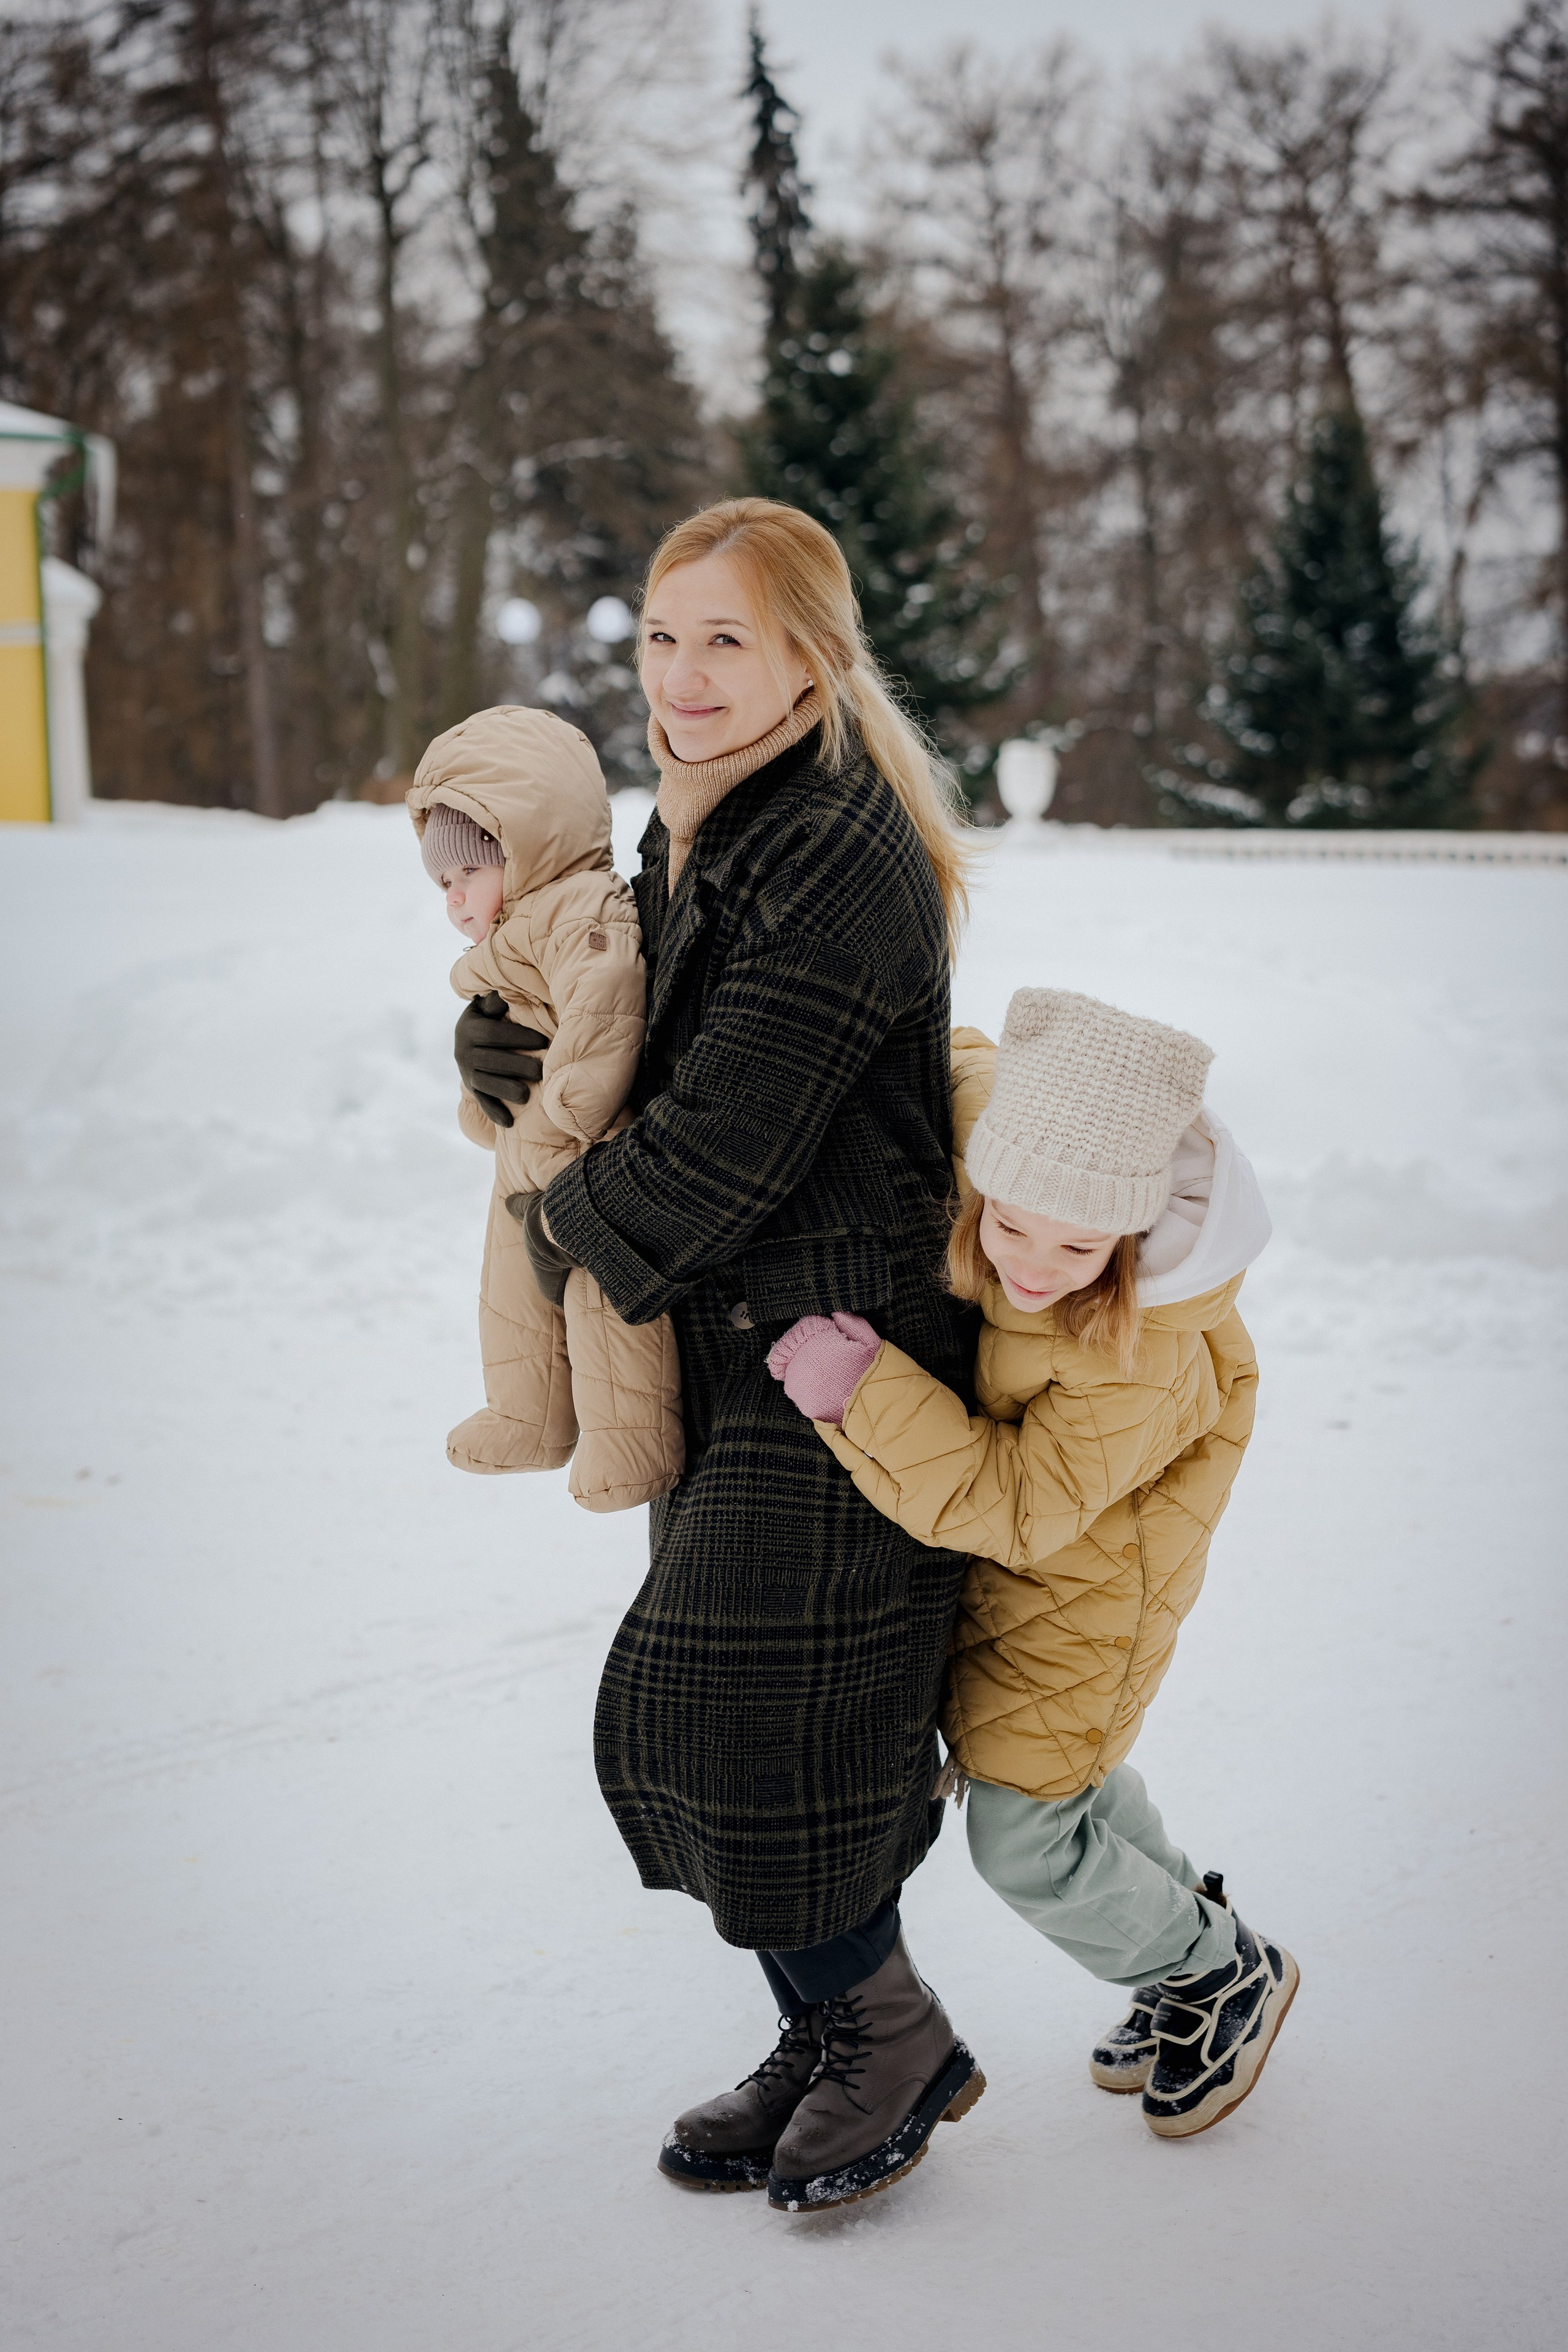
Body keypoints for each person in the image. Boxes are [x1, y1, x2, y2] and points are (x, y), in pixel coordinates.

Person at [453, 499, 984, 2215]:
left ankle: (881, 2027)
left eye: (725, 641)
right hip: (727, 1343)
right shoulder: (704, 831)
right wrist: (510, 1054)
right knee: (767, 1725)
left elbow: (722, 1150)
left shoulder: (832, 850)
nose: (680, 676)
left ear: (811, 657)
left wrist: (551, 1224)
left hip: (840, 1356)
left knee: (746, 1717)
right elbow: (633, 1067)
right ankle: (830, 2023)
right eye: (662, 639)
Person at [769, 987, 1298, 2141]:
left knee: (1024, 1839)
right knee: (1085, 1788)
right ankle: (1193, 1957)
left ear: (1132, 1228)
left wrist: (862, 1396)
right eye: (1008, 1226)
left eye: (1079, 1245)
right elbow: (961, 1066)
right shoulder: (1015, 1131)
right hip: (1046, 1590)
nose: (1037, 1266)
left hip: (1082, 1605)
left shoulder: (1136, 1352)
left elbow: (1015, 1507)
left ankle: (1215, 1976)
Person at [409, 704, 682, 1510]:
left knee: (605, 1306)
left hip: (588, 1152)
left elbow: (606, 1005)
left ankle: (629, 1447)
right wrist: (480, 1100)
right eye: (445, 885)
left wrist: (569, 1107)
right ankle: (527, 1416)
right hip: (526, 1155)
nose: (457, 901)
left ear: (528, 843)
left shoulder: (582, 910)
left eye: (469, 873)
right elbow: (509, 1034)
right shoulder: (505, 941)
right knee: (512, 1298)